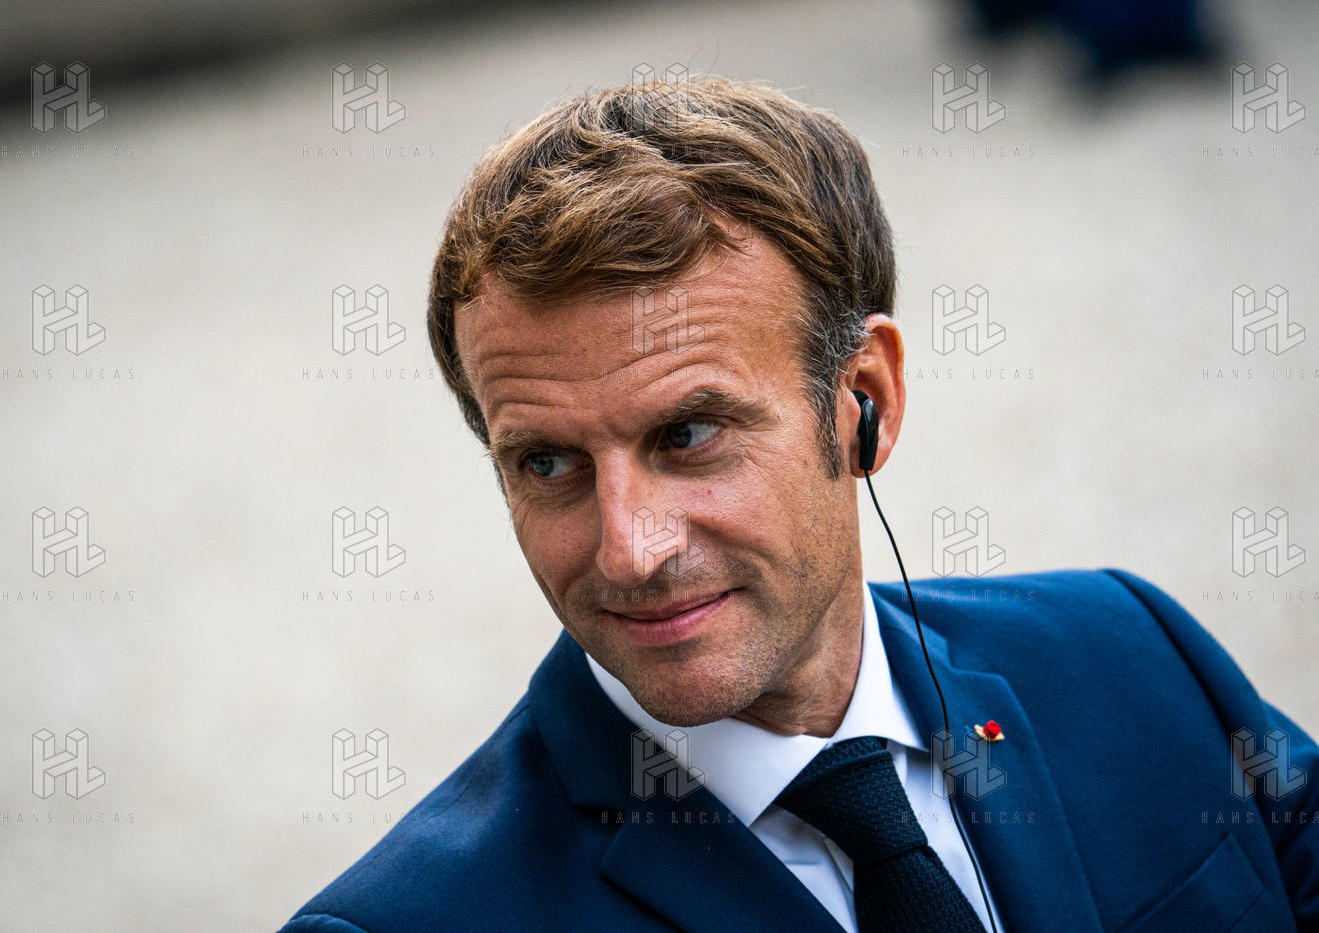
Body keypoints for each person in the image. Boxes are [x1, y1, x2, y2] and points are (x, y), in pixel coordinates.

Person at [281, 76, 1319, 932]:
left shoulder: (1135, 661)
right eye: (548, 463)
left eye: (688, 435)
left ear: (865, 400)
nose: (630, 549)